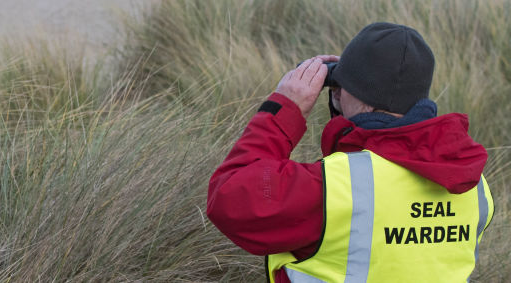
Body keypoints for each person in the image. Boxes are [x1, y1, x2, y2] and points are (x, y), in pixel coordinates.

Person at [207, 22, 493, 282]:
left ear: (362, 100)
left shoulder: (336, 189)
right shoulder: (475, 185)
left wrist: (285, 108)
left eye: (340, 88)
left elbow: (228, 196)